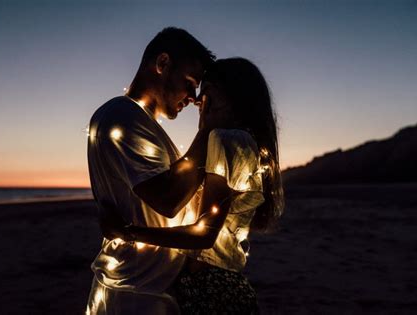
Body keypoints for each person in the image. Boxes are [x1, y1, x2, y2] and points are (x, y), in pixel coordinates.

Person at [111, 58, 285, 314]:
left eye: (207, 96)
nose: (199, 104)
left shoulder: (227, 140)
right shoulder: (244, 142)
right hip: (223, 285)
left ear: (231, 96)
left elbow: (204, 234)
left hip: (212, 289)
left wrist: (128, 232)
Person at [85, 27, 215, 314]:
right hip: (137, 292)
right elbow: (168, 199)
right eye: (190, 83)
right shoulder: (123, 116)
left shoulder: (136, 120)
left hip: (145, 286)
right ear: (163, 64)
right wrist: (208, 129)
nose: (193, 98)